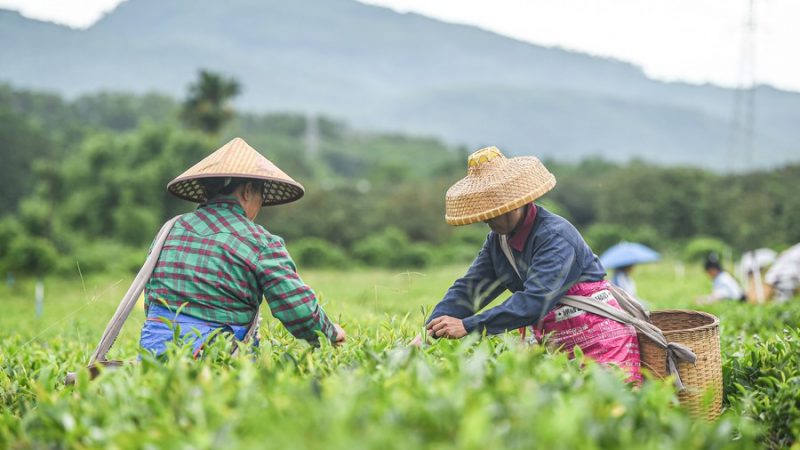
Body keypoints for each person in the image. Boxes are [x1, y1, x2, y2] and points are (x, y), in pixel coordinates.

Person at [416, 146, 641, 383]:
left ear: (518, 201)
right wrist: (429, 331)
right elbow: (471, 288)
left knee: (610, 402)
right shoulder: (498, 241)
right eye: (486, 213)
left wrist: (468, 325)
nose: (491, 219)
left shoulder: (555, 236)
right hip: (553, 341)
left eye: (498, 210)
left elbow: (536, 300)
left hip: (598, 339)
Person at [139, 137, 345, 356]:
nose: (260, 205)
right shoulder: (260, 242)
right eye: (260, 196)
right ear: (248, 191)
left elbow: (150, 298)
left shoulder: (170, 229)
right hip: (215, 357)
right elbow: (297, 309)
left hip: (155, 352)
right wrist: (329, 332)